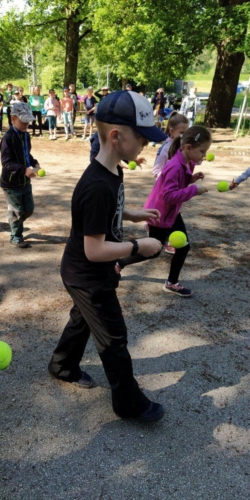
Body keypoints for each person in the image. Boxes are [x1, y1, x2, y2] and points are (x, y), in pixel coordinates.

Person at [48, 90, 168, 422]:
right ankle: (127, 403)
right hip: (88, 274)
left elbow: (106, 214)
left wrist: (132, 214)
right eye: (142, 138)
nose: (146, 145)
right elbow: (94, 249)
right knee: (114, 338)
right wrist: (136, 247)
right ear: (116, 136)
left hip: (83, 271)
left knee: (83, 320)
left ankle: (62, 365)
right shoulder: (97, 185)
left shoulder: (112, 171)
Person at [117, 126, 212, 297]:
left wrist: (191, 179)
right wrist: (194, 190)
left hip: (171, 213)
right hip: (159, 215)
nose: (204, 156)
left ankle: (171, 283)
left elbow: (177, 184)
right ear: (189, 147)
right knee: (153, 251)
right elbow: (169, 196)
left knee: (183, 247)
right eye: (202, 151)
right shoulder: (175, 166)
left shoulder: (187, 162)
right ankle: (119, 263)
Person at [0, 102, 41, 248]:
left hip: (24, 182)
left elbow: (26, 154)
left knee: (28, 209)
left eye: (28, 121)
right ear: (13, 119)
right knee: (18, 211)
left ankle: (14, 219)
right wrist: (24, 170)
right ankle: (16, 236)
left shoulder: (25, 135)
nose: (26, 125)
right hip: (11, 183)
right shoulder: (8, 138)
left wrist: (34, 163)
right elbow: (6, 162)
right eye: (23, 121)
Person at [151, 111, 189, 255]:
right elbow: (156, 170)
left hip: (175, 191)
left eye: (187, 132)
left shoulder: (180, 146)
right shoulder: (166, 148)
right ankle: (156, 230)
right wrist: (169, 180)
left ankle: (169, 240)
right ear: (172, 131)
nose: (184, 136)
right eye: (182, 132)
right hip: (165, 192)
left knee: (172, 215)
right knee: (168, 216)